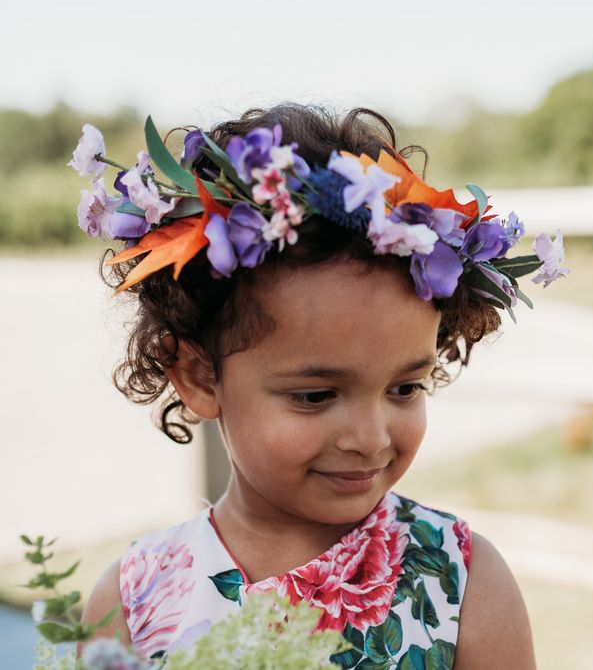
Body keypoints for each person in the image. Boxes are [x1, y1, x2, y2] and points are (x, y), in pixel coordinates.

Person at [74, 104, 567, 669]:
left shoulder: (462, 584)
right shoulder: (134, 602)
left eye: (405, 388)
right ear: (199, 377)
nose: (370, 438)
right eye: (315, 396)